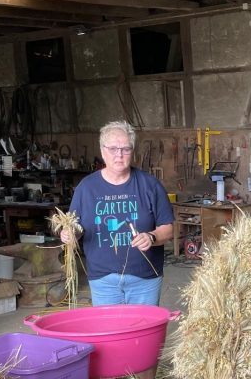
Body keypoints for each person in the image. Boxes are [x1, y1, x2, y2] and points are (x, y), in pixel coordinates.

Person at [63, 121, 174, 306]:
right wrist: (69, 234)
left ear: (133, 151)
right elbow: (74, 226)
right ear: (102, 150)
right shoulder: (86, 188)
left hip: (145, 278)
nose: (119, 155)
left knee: (143, 331)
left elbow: (168, 229)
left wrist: (151, 237)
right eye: (113, 148)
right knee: (111, 333)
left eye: (125, 149)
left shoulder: (150, 185)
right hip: (103, 279)